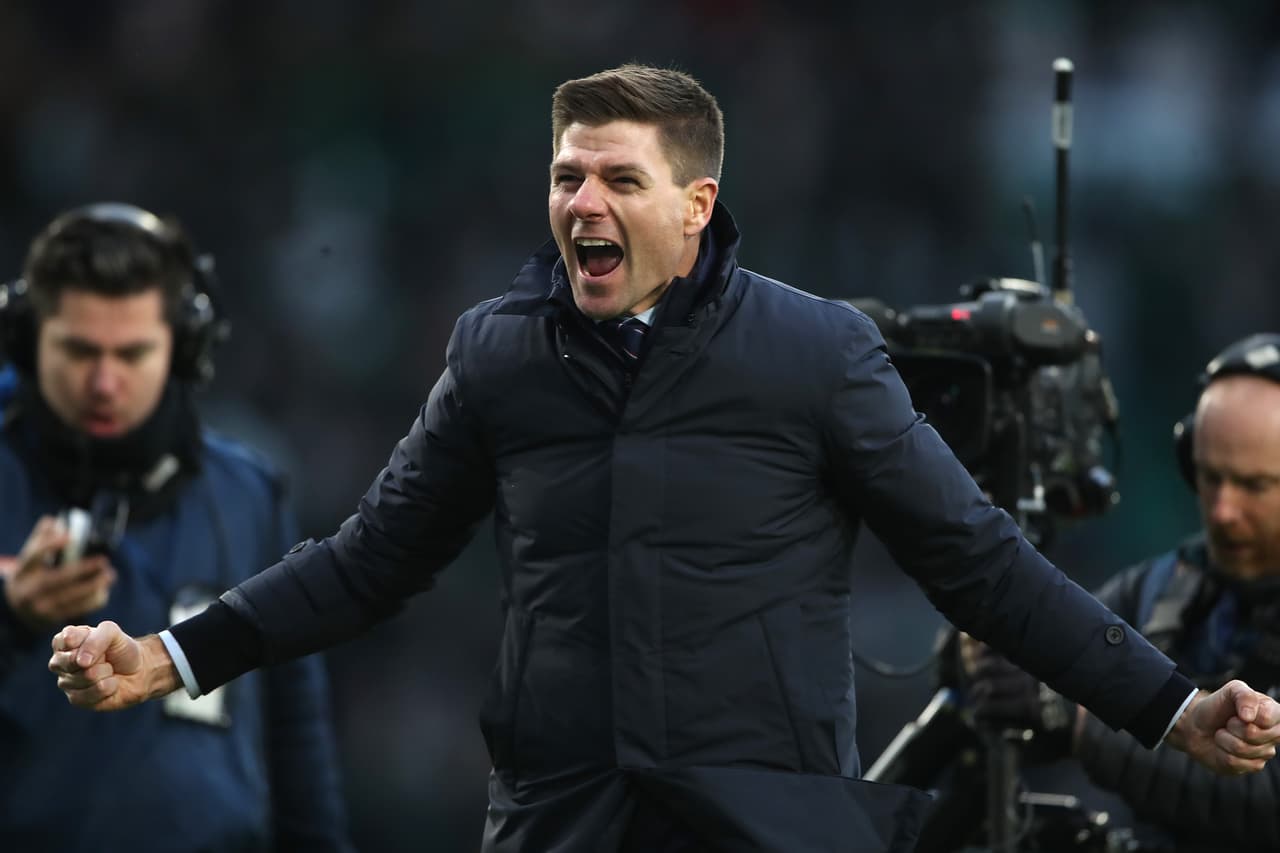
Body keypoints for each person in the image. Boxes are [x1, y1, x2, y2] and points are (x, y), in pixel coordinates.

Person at [46, 66, 1280, 853]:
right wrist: (168, 654)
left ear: (693, 208)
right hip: (559, 818)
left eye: (617, 178)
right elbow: (368, 561)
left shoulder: (814, 353)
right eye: (564, 173)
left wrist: (1167, 705)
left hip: (765, 822)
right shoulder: (497, 355)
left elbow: (976, 563)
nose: (582, 200)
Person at [0, 203, 352, 852]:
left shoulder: (249, 493)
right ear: (27, 340)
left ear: (185, 348)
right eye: (79, 350)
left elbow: (296, 741)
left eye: (133, 353)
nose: (104, 382)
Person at [957, 332, 1280, 852]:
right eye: (1210, 477)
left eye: (1254, 485)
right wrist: (981, 644)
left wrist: (1078, 723)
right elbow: (1058, 645)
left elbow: (1266, 799)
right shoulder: (1170, 585)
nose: (1222, 509)